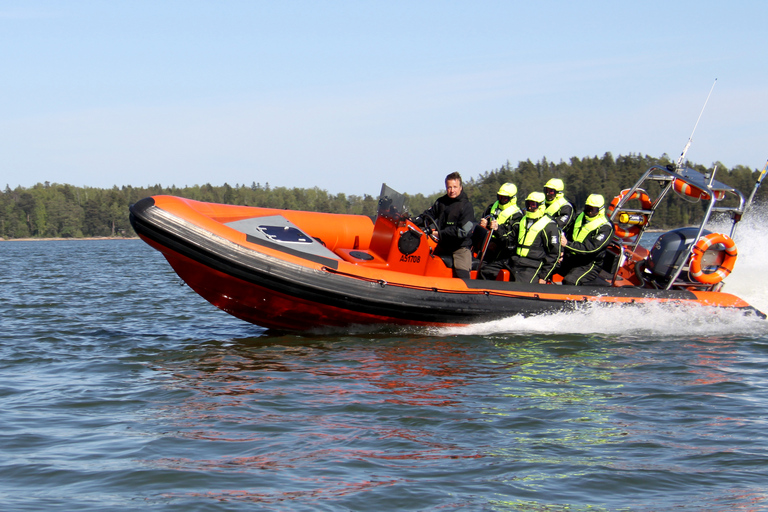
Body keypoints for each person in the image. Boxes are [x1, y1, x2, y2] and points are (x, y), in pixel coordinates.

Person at [414, 172, 476, 278]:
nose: (452, 190)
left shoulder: (467, 207)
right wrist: (412, 221)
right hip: (443, 245)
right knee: (425, 263)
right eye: (449, 187)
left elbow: (463, 232)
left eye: (455, 187)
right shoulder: (441, 202)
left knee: (462, 275)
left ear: (460, 187)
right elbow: (428, 216)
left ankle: (466, 292)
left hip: (460, 248)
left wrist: (439, 234)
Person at [558, 194, 615, 286]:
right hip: (571, 257)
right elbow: (567, 233)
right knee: (548, 265)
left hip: (589, 264)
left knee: (570, 281)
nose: (589, 212)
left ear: (600, 210)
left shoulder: (605, 227)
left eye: (593, 210)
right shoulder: (580, 217)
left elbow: (592, 248)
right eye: (587, 208)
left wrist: (567, 244)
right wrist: (561, 251)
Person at [509, 191, 561, 284]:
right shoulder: (522, 220)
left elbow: (554, 253)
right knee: (490, 271)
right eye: (528, 204)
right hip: (516, 261)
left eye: (533, 205)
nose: (529, 207)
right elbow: (510, 239)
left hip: (533, 266)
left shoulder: (549, 226)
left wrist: (544, 276)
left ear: (540, 206)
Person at [476, 182, 522, 280]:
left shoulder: (517, 216)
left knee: (486, 271)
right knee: (474, 266)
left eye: (505, 198)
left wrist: (497, 229)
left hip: (502, 254)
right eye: (500, 197)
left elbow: (510, 242)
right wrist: (483, 226)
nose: (501, 200)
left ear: (512, 198)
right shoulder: (491, 208)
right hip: (486, 247)